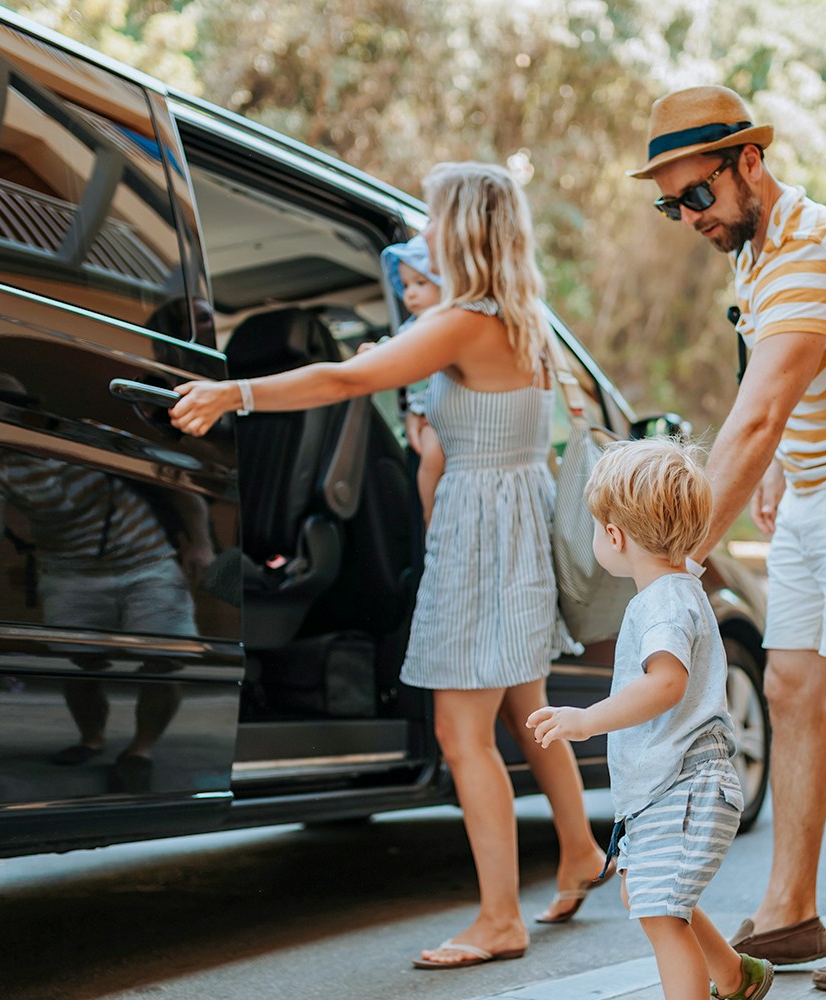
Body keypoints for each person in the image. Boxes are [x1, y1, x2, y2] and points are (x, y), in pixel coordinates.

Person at [171, 162, 612, 968]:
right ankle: (580, 851)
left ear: (463, 230)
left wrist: (233, 394)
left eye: (435, 218)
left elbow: (343, 378)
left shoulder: (460, 323)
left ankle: (500, 918)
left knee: (459, 730)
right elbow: (465, 428)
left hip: (480, 535)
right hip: (514, 523)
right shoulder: (521, 320)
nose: (426, 233)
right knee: (527, 708)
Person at [629, 85, 826, 991]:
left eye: (698, 194)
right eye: (671, 203)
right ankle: (790, 912)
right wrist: (780, 471)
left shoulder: (808, 247)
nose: (687, 216)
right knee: (791, 685)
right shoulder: (754, 250)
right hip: (818, 491)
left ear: (750, 164)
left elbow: (758, 410)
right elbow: (791, 385)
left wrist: (683, 552)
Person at [527, 437, 773, 1000]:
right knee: (653, 898)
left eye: (597, 526)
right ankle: (735, 976)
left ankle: (722, 982)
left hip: (684, 787)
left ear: (614, 536)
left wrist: (586, 720)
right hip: (670, 787)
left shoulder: (660, 601)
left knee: (661, 915)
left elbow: (667, 682)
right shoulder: (681, 581)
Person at [0, 372, 214, 792]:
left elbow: (176, 483)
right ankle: (91, 739)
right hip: (70, 569)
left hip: (146, 559)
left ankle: (141, 750)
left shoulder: (89, 436)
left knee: (164, 657)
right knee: (82, 663)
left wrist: (200, 544)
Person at [378, 233, 447, 527]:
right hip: (425, 412)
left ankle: (433, 515)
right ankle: (429, 516)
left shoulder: (446, 326)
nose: (411, 294)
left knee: (433, 455)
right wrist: (375, 350)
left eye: (421, 284)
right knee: (429, 457)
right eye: (406, 286)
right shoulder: (412, 328)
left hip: (443, 412)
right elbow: (395, 351)